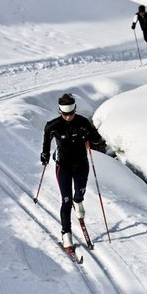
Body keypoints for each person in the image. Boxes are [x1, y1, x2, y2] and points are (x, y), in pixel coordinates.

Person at [40, 93, 104, 250]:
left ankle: (79, 200)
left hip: (81, 164)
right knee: (66, 201)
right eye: (65, 114)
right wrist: (45, 155)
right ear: (60, 112)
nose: (68, 117)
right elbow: (46, 144)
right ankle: (66, 235)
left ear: (75, 110)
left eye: (71, 113)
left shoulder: (83, 122)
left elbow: (97, 139)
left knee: (78, 194)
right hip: (63, 166)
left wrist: (92, 137)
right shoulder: (52, 125)